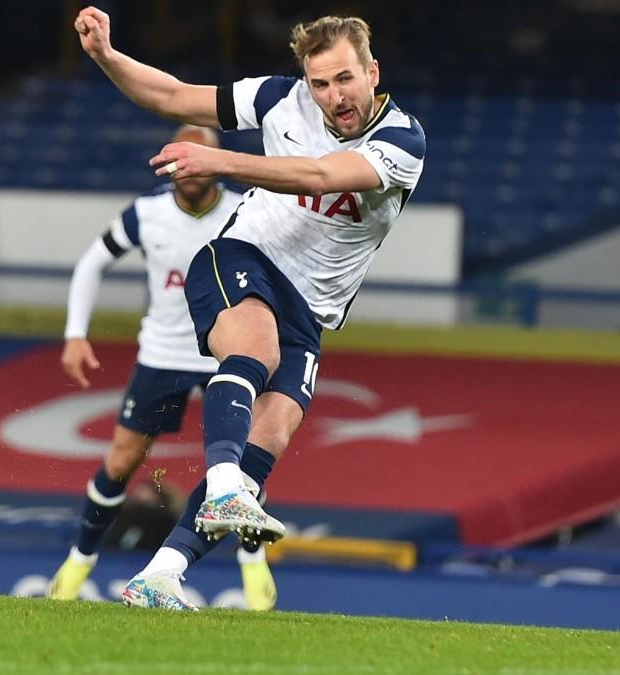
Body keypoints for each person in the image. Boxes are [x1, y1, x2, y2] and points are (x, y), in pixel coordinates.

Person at [74, 7, 425, 610]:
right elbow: (173, 96)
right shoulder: (277, 99)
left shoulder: (401, 141)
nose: (333, 96)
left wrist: (221, 160)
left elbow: (318, 175)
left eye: (345, 79)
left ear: (373, 71)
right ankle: (222, 486)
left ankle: (159, 576)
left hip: (310, 309)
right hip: (243, 257)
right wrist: (107, 56)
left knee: (270, 434)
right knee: (253, 352)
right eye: (320, 83)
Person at [47, 125, 278, 611]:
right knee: (123, 460)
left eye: (200, 157)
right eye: (179, 159)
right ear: (166, 162)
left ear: (217, 162)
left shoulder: (245, 209)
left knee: (244, 451)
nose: (188, 169)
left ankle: (252, 564)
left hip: (225, 350)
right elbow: (92, 263)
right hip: (163, 353)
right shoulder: (147, 212)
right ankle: (79, 559)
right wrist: (74, 334)